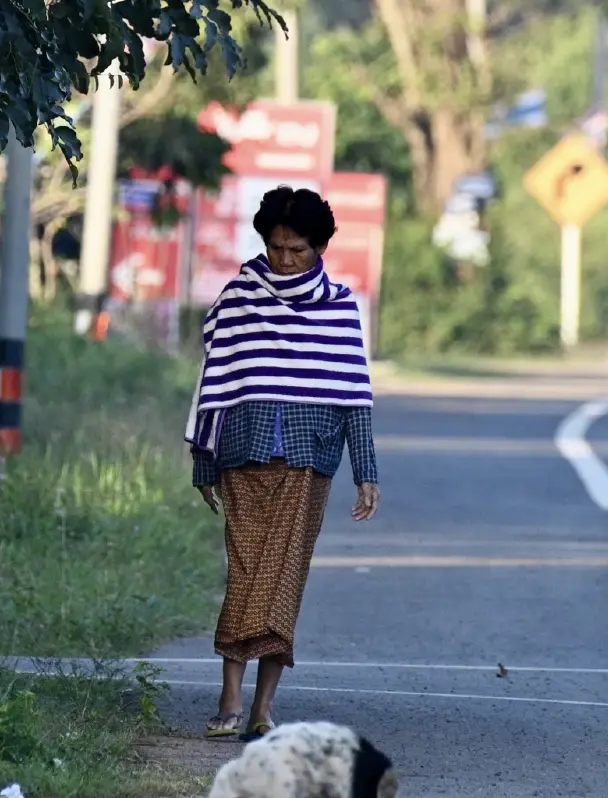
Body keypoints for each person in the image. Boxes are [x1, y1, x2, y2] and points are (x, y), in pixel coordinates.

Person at [184, 185, 381, 742]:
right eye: (277, 247)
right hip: (241, 453)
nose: (286, 259)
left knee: (283, 576)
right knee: (246, 570)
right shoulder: (238, 297)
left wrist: (365, 471)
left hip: (309, 455)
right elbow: (213, 384)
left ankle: (260, 706)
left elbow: (352, 394)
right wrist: (203, 460)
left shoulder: (340, 306)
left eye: (298, 250)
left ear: (320, 248)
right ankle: (230, 694)